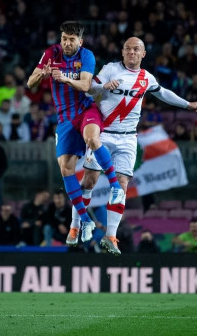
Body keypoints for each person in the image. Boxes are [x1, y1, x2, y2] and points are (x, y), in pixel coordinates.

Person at [68, 37, 197, 254]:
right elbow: (88, 89)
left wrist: (188, 104)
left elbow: (163, 93)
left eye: (136, 49)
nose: (132, 52)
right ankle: (76, 225)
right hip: (104, 134)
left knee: (121, 186)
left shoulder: (146, 78)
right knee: (89, 181)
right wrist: (103, 86)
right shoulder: (110, 69)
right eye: (128, 49)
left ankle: (111, 236)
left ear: (143, 54)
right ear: (122, 52)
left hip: (128, 139)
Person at [27, 21, 125, 243]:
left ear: (80, 41)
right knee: (65, 169)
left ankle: (115, 186)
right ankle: (85, 220)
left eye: (71, 40)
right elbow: (30, 82)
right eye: (64, 39)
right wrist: (42, 73)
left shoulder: (87, 56)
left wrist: (64, 77)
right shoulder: (51, 53)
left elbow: (86, 85)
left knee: (92, 138)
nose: (67, 43)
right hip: (64, 119)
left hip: (86, 110)